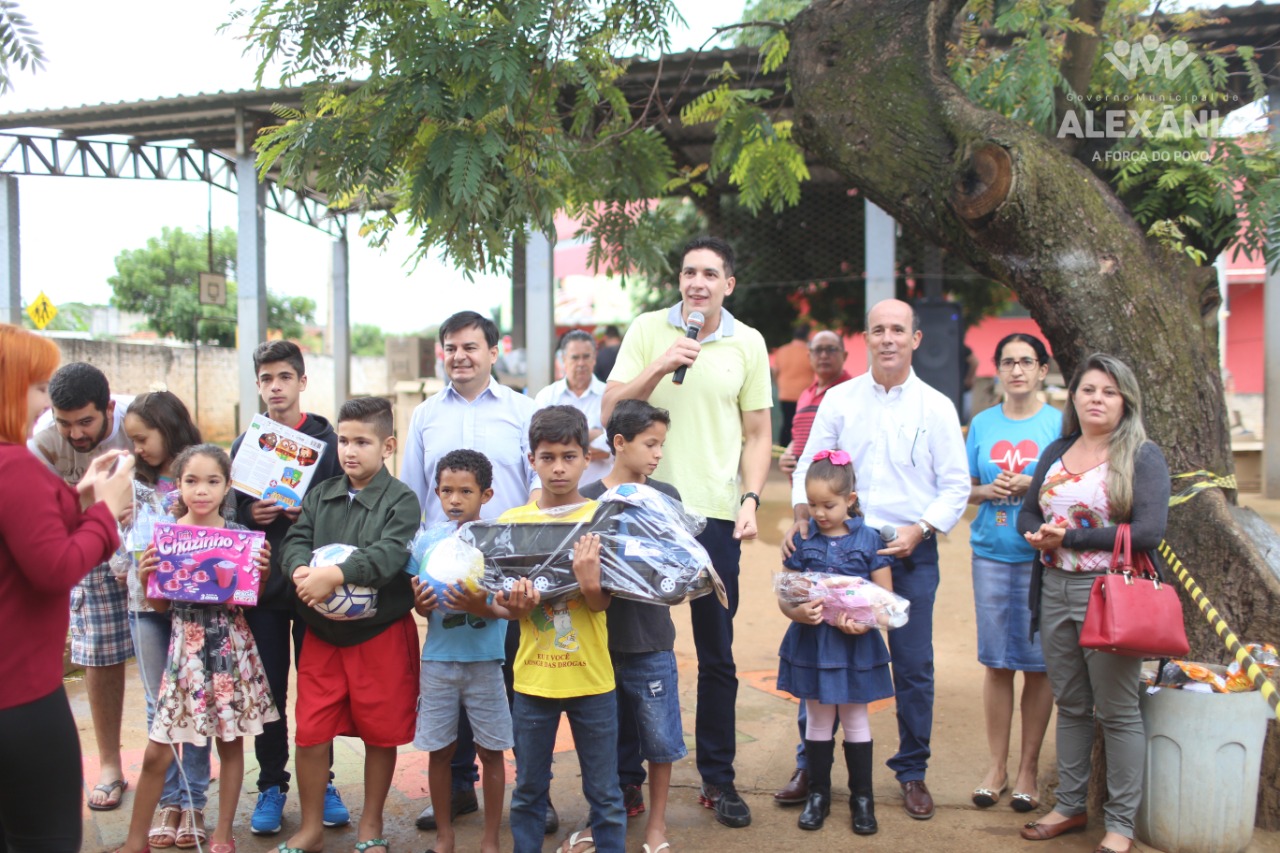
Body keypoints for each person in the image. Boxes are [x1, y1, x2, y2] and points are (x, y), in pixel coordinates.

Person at [602, 236, 772, 829]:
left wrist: (750, 498)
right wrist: (659, 364)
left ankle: (718, 779)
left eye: (710, 273)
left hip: (716, 518)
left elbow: (756, 434)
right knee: (629, 648)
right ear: (680, 281)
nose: (697, 282)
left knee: (716, 653)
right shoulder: (650, 330)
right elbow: (610, 415)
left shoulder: (748, 342)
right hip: (642, 515)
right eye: (688, 272)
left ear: (728, 283)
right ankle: (625, 779)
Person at [786, 298, 969, 820]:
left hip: (910, 551)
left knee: (912, 665)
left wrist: (922, 529)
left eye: (898, 330)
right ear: (865, 338)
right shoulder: (840, 401)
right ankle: (810, 766)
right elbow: (809, 466)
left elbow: (955, 486)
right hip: (839, 551)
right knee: (824, 655)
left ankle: (912, 771)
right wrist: (804, 513)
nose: (888, 338)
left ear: (915, 339)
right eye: (878, 330)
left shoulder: (936, 406)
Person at [400, 310, 548, 833]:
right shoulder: (424, 416)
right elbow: (413, 494)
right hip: (445, 570)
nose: (459, 356)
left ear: (492, 352)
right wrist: (415, 570)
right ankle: (458, 788)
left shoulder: (524, 410)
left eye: (470, 347)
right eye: (451, 347)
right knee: (454, 676)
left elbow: (539, 485)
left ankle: (533, 790)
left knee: (520, 681)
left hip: (508, 571)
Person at [1017, 354, 1169, 853]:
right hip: (1054, 588)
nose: (1096, 399)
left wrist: (1071, 539)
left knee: (1118, 711)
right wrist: (1037, 535)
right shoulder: (1058, 448)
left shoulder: (1142, 456)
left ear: (1125, 400)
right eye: (1087, 390)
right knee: (1074, 706)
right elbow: (1026, 512)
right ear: (1073, 396)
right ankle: (1070, 805)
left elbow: (1149, 532)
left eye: (1108, 391)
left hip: (1112, 593)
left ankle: (1121, 824)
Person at [0, 324, 134, 853]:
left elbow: (23, 533)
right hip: (21, 698)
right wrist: (104, 513)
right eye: (36, 389)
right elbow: (53, 566)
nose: (42, 406)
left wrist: (79, 498)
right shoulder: (16, 464)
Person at [114, 444, 278, 853]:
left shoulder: (240, 537)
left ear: (227, 488)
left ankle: (222, 832)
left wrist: (260, 573)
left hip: (229, 648)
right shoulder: (165, 537)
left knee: (231, 741)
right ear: (179, 485)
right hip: (184, 651)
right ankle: (136, 840)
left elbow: (242, 600)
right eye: (191, 480)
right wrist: (148, 573)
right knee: (160, 746)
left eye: (212, 481)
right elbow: (161, 606)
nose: (201, 490)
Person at [281, 396, 422, 853]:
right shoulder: (320, 494)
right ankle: (311, 828)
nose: (349, 450)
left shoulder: (401, 500)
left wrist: (337, 574)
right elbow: (296, 539)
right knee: (311, 731)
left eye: (362, 441)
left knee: (381, 732)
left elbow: (389, 554)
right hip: (322, 637)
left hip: (380, 634)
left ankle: (371, 825)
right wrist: (301, 570)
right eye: (343, 440)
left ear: (387, 446)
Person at [230, 340, 348, 836]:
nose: (275, 387)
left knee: (320, 692)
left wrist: (314, 513)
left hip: (315, 588)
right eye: (265, 379)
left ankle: (323, 782)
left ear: (302, 382)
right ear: (257, 386)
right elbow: (227, 510)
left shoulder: (328, 443)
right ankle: (273, 785)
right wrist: (247, 513)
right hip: (264, 593)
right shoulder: (246, 444)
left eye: (284, 377)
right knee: (270, 692)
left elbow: (348, 507)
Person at [502, 405, 625, 853]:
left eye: (568, 456)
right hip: (533, 679)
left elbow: (602, 603)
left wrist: (592, 584)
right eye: (547, 456)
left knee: (606, 796)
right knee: (529, 793)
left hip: (592, 679)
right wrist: (515, 605)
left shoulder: (602, 519)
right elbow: (507, 610)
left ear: (587, 458)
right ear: (531, 459)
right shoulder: (512, 524)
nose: (558, 467)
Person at [28, 361, 136, 811]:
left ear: (108, 408)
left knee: (172, 650)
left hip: (148, 541)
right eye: (65, 423)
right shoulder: (42, 440)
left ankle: (174, 764)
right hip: (86, 536)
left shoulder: (138, 418)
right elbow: (42, 518)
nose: (74, 434)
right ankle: (110, 764)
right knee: (99, 651)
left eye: (86, 422)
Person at [580, 399, 686, 852]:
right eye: (650, 443)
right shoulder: (586, 499)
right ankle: (602, 820)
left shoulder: (667, 498)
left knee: (660, 739)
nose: (658, 453)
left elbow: (680, 571)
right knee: (599, 743)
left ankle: (657, 826)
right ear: (619, 443)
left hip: (650, 640)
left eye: (662, 443)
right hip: (596, 642)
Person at [409, 449, 526, 853]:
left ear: (487, 494)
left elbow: (509, 608)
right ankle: (445, 836)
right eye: (446, 491)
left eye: (465, 491)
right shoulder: (427, 541)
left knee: (492, 752)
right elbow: (419, 604)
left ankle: (491, 840)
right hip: (438, 662)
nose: (455, 499)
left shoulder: (496, 542)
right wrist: (422, 604)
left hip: (485, 664)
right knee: (439, 751)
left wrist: (480, 605)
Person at [964, 334, 1060, 813]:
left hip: (1043, 561)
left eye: (1026, 362)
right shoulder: (981, 424)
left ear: (1043, 370)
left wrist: (1033, 484)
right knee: (997, 662)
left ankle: (1028, 769)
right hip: (990, 556)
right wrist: (989, 490)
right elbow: (963, 489)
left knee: (1039, 665)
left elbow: (1075, 489)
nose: (1017, 370)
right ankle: (997, 767)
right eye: (1008, 362)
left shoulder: (1061, 425)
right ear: (998, 370)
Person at [777, 451, 894, 834]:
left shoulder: (869, 539)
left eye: (829, 504)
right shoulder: (804, 540)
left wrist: (865, 623)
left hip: (855, 645)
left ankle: (863, 798)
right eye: (812, 504)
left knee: (856, 717)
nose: (819, 513)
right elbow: (786, 594)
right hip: (813, 644)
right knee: (818, 718)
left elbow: (885, 603)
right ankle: (819, 795)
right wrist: (796, 613)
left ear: (851, 500)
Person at [122, 392, 213, 848]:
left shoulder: (200, 472)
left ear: (169, 427)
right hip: (145, 608)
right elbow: (121, 551)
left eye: (143, 438)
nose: (137, 448)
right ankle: (170, 799)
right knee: (159, 706)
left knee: (197, 703)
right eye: (131, 440)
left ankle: (194, 800)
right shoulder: (129, 482)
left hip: (195, 610)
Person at [774, 329, 854, 804]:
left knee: (847, 663)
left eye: (831, 349)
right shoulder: (806, 395)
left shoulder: (848, 395)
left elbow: (837, 467)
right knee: (813, 655)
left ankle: (851, 777)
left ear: (844, 356)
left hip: (840, 531)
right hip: (809, 525)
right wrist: (792, 460)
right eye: (816, 350)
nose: (823, 356)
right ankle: (810, 768)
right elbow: (803, 456)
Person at [535, 329, 611, 486]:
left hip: (601, 493)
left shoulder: (609, 395)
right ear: (563, 359)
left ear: (594, 358)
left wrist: (563, 441)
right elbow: (540, 445)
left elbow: (614, 447)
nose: (581, 363)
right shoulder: (547, 397)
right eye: (575, 357)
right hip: (557, 493)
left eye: (586, 357)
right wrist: (592, 435)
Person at [772, 323, 814, 450]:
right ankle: (798, 450)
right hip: (804, 395)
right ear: (807, 336)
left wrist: (779, 384)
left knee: (787, 422)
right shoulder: (810, 352)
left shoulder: (782, 350)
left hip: (785, 393)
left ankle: (783, 449)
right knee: (802, 424)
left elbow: (775, 371)